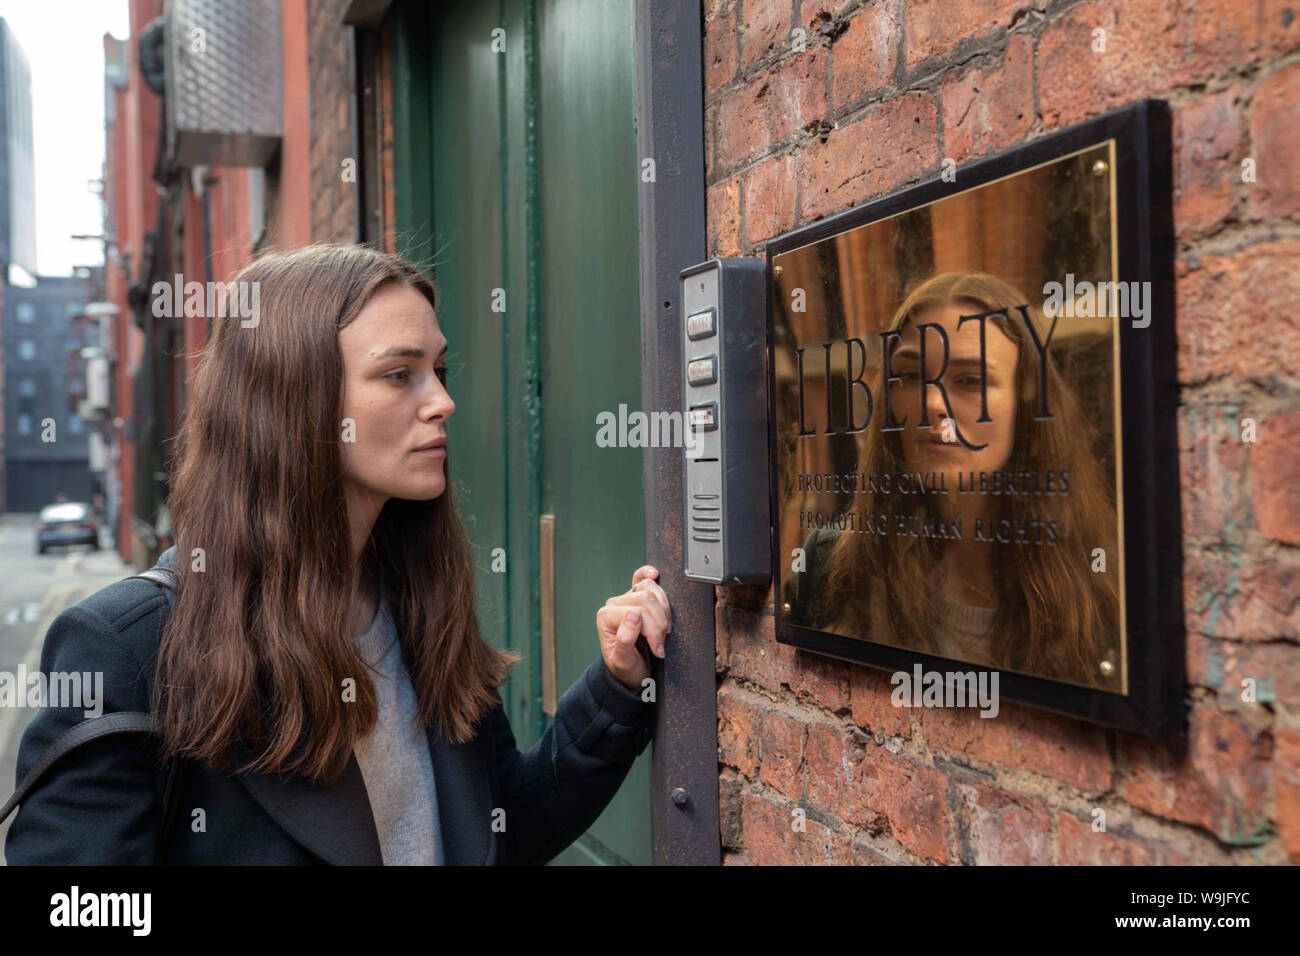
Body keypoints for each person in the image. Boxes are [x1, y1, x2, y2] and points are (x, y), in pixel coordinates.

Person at [5, 244, 671, 865]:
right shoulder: (129, 648)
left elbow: (501, 828)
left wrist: (616, 686)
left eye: (438, 371)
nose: (443, 402)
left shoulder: (415, 604)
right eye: (399, 374)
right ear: (294, 401)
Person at [788, 271, 1120, 690]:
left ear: (1026, 400)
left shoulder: (1100, 585)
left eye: (969, 380)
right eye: (909, 376)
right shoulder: (830, 565)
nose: (932, 404)